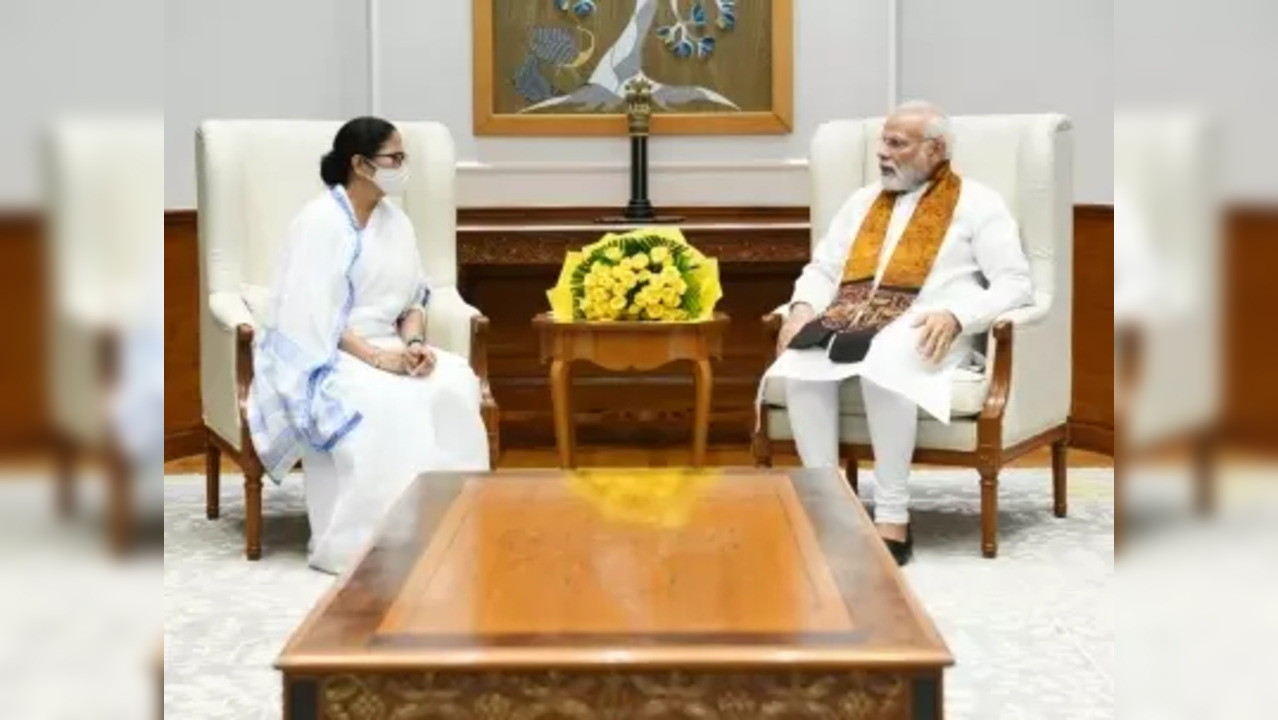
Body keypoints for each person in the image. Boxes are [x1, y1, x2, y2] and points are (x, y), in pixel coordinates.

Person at [763, 101, 1033, 565]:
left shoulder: (977, 203)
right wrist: (802, 307)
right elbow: (824, 269)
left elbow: (1015, 282)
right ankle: (829, 509)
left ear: (935, 149)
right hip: (850, 319)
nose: (882, 154)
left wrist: (956, 314)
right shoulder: (862, 202)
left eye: (896, 143)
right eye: (882, 143)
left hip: (930, 331)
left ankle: (892, 517)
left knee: (884, 359)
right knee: (803, 359)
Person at [247, 117, 490, 574]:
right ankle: (373, 543)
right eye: (393, 159)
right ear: (360, 164)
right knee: (383, 401)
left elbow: (413, 299)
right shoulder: (318, 222)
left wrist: (414, 344)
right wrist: (381, 359)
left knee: (453, 381)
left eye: (404, 158)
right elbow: (312, 316)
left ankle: (450, 528)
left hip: (389, 343)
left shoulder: (398, 224)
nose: (402, 167)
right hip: (330, 347)